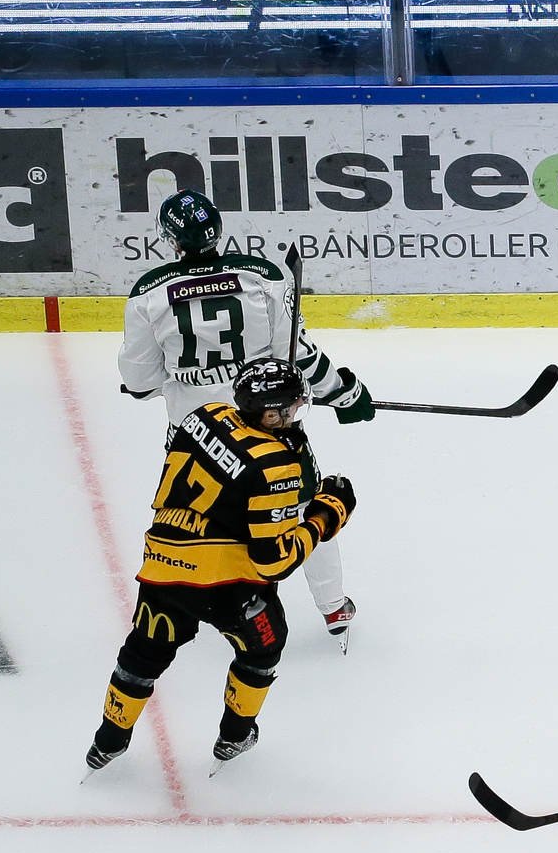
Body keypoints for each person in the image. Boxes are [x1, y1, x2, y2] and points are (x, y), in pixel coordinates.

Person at [117, 189, 374, 650]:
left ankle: (201, 605)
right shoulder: (264, 276)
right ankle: (334, 607)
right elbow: (299, 359)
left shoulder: (148, 294)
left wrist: (183, 379)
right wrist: (346, 391)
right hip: (268, 426)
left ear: (169, 238)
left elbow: (137, 381)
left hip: (194, 434)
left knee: (196, 519)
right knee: (302, 507)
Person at [83, 359, 357, 776]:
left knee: (144, 649)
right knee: (264, 647)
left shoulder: (204, 415)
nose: (295, 414)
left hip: (161, 563)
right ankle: (234, 735)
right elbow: (275, 561)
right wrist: (325, 515)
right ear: (270, 413)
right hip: (225, 585)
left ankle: (108, 740)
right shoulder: (272, 464)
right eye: (290, 408)